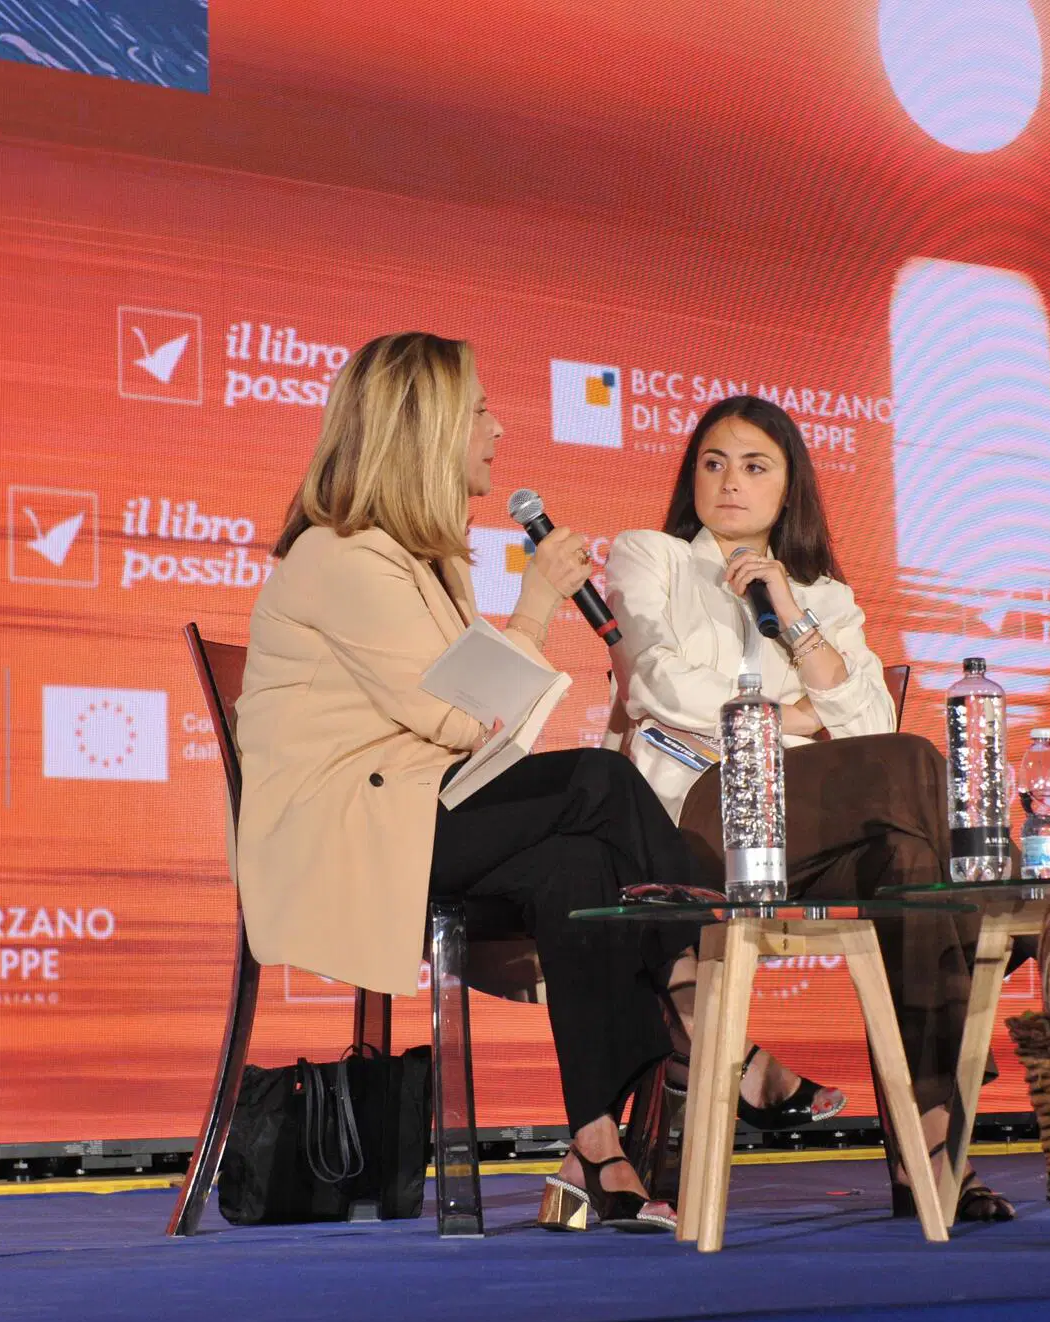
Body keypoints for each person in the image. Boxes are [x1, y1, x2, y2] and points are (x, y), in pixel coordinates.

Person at [233, 335, 814, 1233]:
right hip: (353, 839)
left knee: (577, 867)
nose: (497, 427)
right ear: (421, 430)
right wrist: (537, 600)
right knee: (599, 781)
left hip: (418, 813)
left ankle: (596, 1143)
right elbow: (461, 718)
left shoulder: (420, 559)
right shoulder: (342, 557)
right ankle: (710, 1025)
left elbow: (473, 737)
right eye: (477, 411)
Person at [603, 394, 1050, 1223]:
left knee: (913, 861)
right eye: (713, 463)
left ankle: (927, 1130)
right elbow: (655, 684)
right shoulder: (652, 557)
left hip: (810, 832)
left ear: (789, 489)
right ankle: (1042, 958)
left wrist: (793, 614)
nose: (730, 482)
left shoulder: (824, 597)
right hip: (698, 819)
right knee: (915, 767)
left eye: (753, 466)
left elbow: (870, 721)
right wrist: (799, 715)